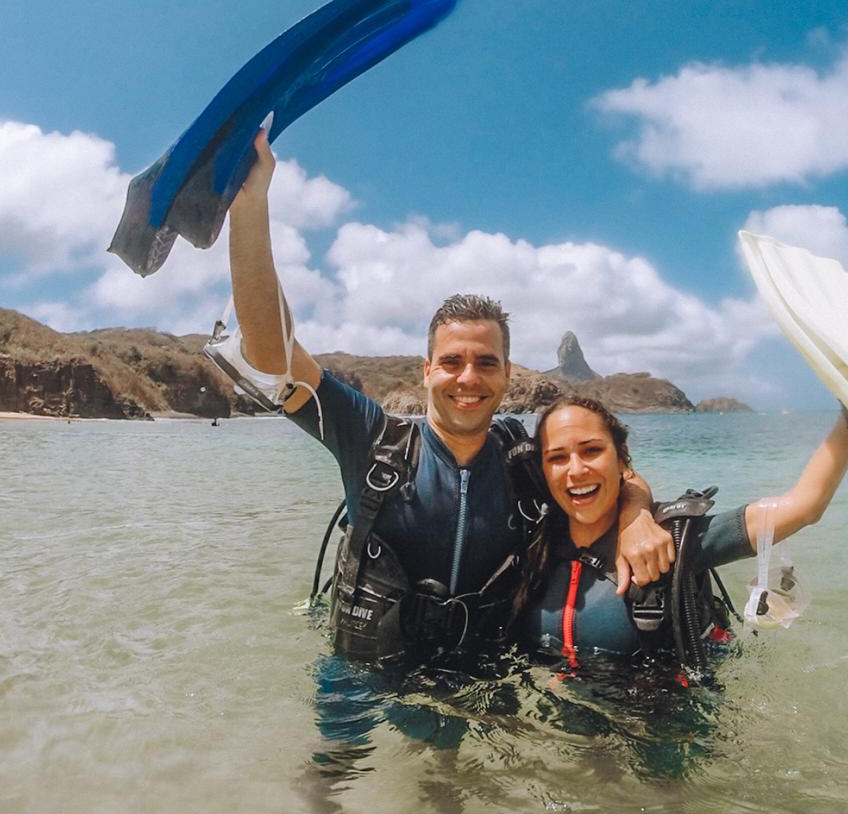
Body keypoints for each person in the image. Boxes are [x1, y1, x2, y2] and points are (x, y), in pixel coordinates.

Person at [225, 130, 672, 663]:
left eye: (486, 363)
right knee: (333, 754)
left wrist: (636, 513)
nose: (468, 379)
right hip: (366, 677)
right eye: (452, 362)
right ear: (427, 371)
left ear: (507, 376)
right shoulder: (373, 439)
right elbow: (272, 354)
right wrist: (250, 207)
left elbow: (609, 474)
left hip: (481, 680)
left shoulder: (520, 457)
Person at [516, 320, 848, 671]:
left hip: (651, 734)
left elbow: (803, 507)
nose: (576, 469)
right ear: (543, 469)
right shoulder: (533, 537)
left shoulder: (676, 543)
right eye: (558, 457)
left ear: (622, 461)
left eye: (592, 450)